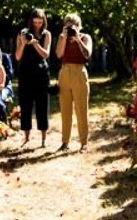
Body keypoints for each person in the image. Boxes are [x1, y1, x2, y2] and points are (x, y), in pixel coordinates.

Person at [13, 8, 53, 147]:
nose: (37, 25)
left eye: (40, 22)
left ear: (44, 22)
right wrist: (24, 44)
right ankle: (27, 137)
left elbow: (45, 54)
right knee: (26, 105)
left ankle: (43, 139)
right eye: (35, 22)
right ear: (31, 21)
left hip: (41, 73)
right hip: (25, 73)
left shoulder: (46, 34)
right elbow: (17, 56)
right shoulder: (23, 33)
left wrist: (35, 44)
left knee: (42, 105)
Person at [55, 14, 93, 151]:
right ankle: (65, 142)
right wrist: (65, 37)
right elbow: (59, 54)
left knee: (81, 109)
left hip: (79, 72)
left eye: (74, 24)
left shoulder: (85, 37)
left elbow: (87, 54)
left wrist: (77, 39)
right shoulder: (61, 37)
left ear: (79, 26)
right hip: (64, 72)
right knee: (65, 109)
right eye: (68, 24)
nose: (71, 27)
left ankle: (84, 142)